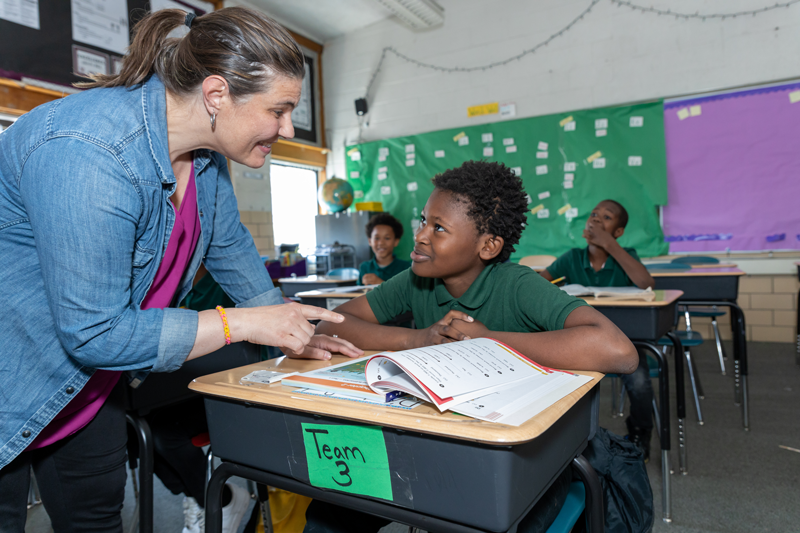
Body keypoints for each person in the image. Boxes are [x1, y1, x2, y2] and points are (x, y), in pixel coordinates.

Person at [0, 7, 361, 532]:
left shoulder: (205, 157)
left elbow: (229, 245)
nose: (287, 128)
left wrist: (289, 329)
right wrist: (244, 323)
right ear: (217, 95)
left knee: (96, 519)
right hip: (14, 375)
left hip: (90, 386)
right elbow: (95, 330)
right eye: (279, 110)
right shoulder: (89, 153)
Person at [312, 161, 638, 532]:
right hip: (437, 440)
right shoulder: (415, 281)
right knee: (329, 512)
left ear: (487, 246)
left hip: (523, 456)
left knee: (484, 517)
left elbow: (619, 351)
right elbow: (331, 323)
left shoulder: (516, 284)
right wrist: (416, 339)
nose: (420, 236)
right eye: (423, 221)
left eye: (438, 228)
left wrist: (487, 341)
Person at [541, 199, 657, 460]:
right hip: (578, 343)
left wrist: (610, 246)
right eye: (593, 215)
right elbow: (538, 284)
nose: (595, 220)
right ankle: (563, 437)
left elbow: (646, 283)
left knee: (639, 382)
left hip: (624, 343)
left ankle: (640, 431)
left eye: (606, 218)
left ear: (618, 232)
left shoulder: (627, 255)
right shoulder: (572, 257)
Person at [358, 213, 410, 285]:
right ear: (370, 241)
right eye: (377, 238)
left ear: (396, 241)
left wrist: (381, 283)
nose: (381, 243)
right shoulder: (364, 267)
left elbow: (407, 295)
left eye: (387, 238)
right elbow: (358, 293)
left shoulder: (406, 268)